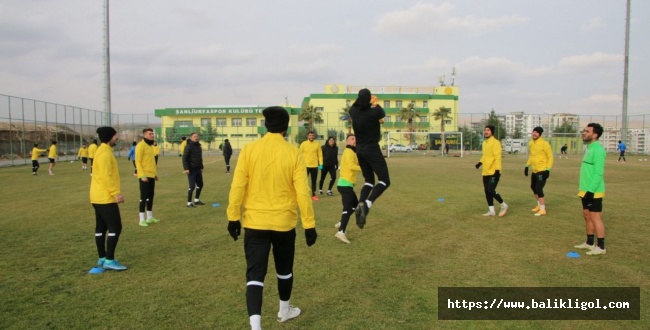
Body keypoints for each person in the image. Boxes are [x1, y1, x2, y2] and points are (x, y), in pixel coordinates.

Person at [226, 106, 317, 330]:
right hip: (284, 224)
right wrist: (309, 225)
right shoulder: (293, 152)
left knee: (255, 274)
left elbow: (238, 185)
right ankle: (284, 310)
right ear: (286, 128)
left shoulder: (249, 149)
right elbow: (303, 191)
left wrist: (233, 217)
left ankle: (256, 327)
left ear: (266, 125)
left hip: (255, 223)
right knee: (284, 270)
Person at [349, 88, 391, 229]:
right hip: (372, 149)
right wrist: (375, 103)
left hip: (359, 150)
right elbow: (382, 113)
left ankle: (360, 203)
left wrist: (367, 102)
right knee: (385, 180)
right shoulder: (374, 112)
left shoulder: (353, 111)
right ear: (368, 99)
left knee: (369, 181)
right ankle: (367, 205)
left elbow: (355, 106)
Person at [91, 126, 127, 271]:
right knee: (115, 227)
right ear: (109, 137)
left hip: (97, 196)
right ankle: (110, 260)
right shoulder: (105, 153)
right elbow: (106, 176)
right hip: (105, 197)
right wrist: (115, 193)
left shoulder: (101, 151)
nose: (117, 138)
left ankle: (102, 257)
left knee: (101, 228)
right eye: (115, 135)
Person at [574, 123, 607, 255]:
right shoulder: (589, 148)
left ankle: (601, 247)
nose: (584, 133)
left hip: (594, 191)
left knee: (595, 217)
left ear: (595, 135)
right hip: (585, 189)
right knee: (587, 216)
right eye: (584, 130)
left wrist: (591, 190)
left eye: (587, 131)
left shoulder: (598, 150)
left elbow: (599, 173)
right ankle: (589, 242)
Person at [475, 125, 508, 217]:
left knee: (490, 190)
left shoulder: (496, 143)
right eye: (485, 130)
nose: (486, 132)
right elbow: (485, 155)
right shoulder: (484, 143)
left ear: (492, 132)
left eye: (488, 130)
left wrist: (497, 170)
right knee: (487, 191)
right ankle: (491, 211)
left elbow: (497, 157)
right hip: (486, 171)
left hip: (494, 171)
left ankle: (503, 205)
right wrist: (479, 163)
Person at [334, 134, 361, 244]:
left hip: (348, 184)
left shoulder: (353, 152)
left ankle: (341, 222)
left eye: (355, 139)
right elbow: (351, 166)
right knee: (348, 207)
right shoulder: (348, 152)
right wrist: (364, 167)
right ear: (347, 142)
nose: (355, 140)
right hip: (345, 184)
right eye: (352, 139)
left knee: (355, 206)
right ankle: (341, 232)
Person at [524, 127, 554, 216]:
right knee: (533, 187)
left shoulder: (545, 144)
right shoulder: (531, 143)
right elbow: (531, 156)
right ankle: (538, 205)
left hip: (542, 170)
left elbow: (550, 157)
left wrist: (548, 169)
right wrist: (526, 166)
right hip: (534, 170)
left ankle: (543, 209)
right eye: (533, 132)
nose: (534, 134)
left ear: (540, 134)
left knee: (539, 188)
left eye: (536, 132)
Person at [135, 128, 160, 227]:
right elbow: (138, 161)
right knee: (143, 197)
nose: (152, 135)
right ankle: (141, 219)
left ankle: (150, 217)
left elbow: (151, 162)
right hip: (144, 176)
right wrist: (142, 175)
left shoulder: (150, 146)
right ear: (144, 135)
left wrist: (155, 174)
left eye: (153, 133)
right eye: (150, 134)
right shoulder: (140, 146)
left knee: (151, 196)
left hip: (151, 175)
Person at [182, 132, 205, 207]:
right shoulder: (188, 146)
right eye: (195, 136)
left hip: (198, 169)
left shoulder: (198, 146)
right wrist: (186, 168)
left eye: (197, 136)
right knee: (192, 186)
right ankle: (188, 203)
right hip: (191, 169)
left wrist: (201, 167)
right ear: (191, 138)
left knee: (200, 184)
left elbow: (199, 158)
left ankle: (196, 200)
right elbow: (185, 158)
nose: (196, 137)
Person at [299, 131, 323, 201]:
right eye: (310, 135)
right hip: (305, 166)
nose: (311, 137)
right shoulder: (303, 144)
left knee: (314, 181)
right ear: (307, 136)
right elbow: (299, 154)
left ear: (314, 136)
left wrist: (321, 164)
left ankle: (313, 194)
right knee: (304, 180)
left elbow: (320, 155)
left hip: (314, 166)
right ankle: (304, 194)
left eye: (312, 135)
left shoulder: (317, 144)